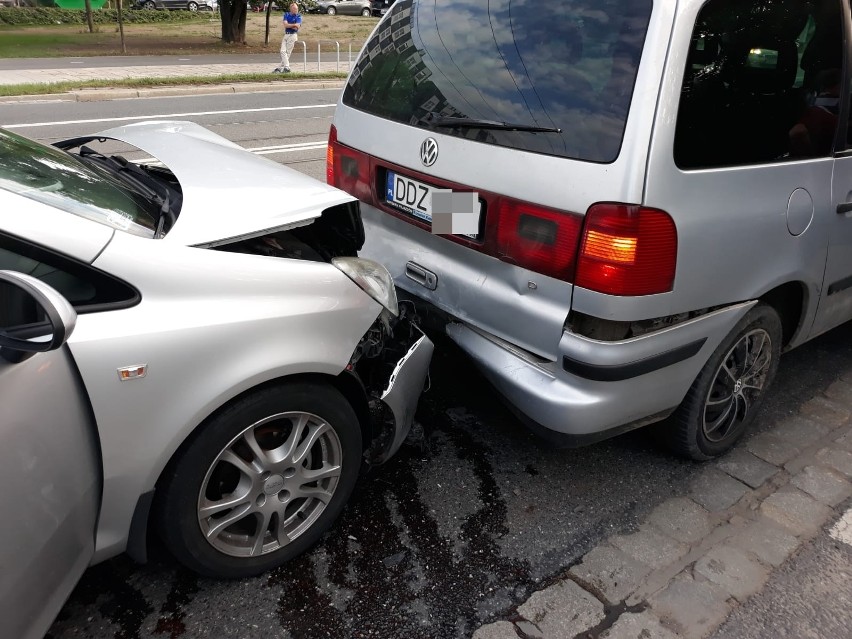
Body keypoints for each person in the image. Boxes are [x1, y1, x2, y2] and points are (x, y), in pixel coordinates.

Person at [274, 3, 301, 74]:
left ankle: (281, 68)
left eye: (297, 8)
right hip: (286, 35)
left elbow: (297, 27)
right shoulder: (286, 14)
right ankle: (286, 67)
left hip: (293, 35)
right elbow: (285, 25)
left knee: (287, 53)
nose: (296, 10)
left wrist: (291, 25)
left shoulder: (298, 16)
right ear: (291, 9)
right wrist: (294, 24)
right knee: (282, 51)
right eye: (295, 8)